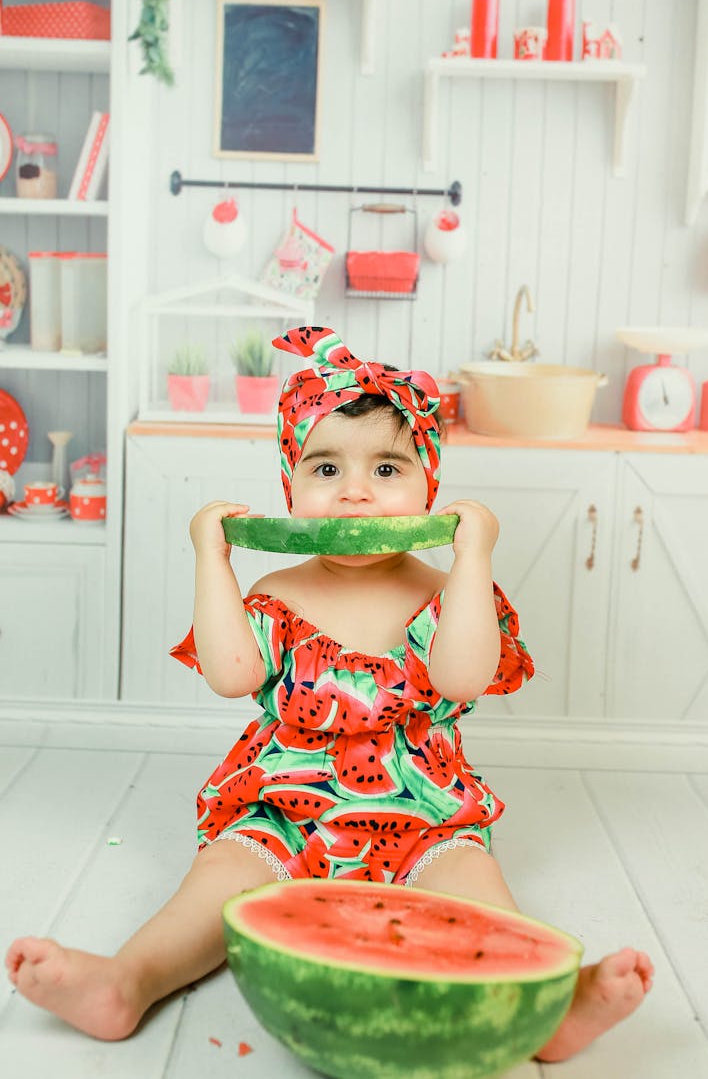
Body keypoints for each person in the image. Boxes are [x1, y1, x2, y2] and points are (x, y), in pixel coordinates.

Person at [6, 326, 653, 1058]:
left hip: (423, 811)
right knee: (213, 883)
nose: (354, 490)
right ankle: (127, 979)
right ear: (290, 484)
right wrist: (210, 558)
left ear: (429, 483)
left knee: (477, 881)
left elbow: (463, 676)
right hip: (281, 802)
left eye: (386, 467)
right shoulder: (277, 588)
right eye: (324, 468)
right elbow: (232, 674)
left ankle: (552, 1006)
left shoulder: (445, 590)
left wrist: (474, 556)